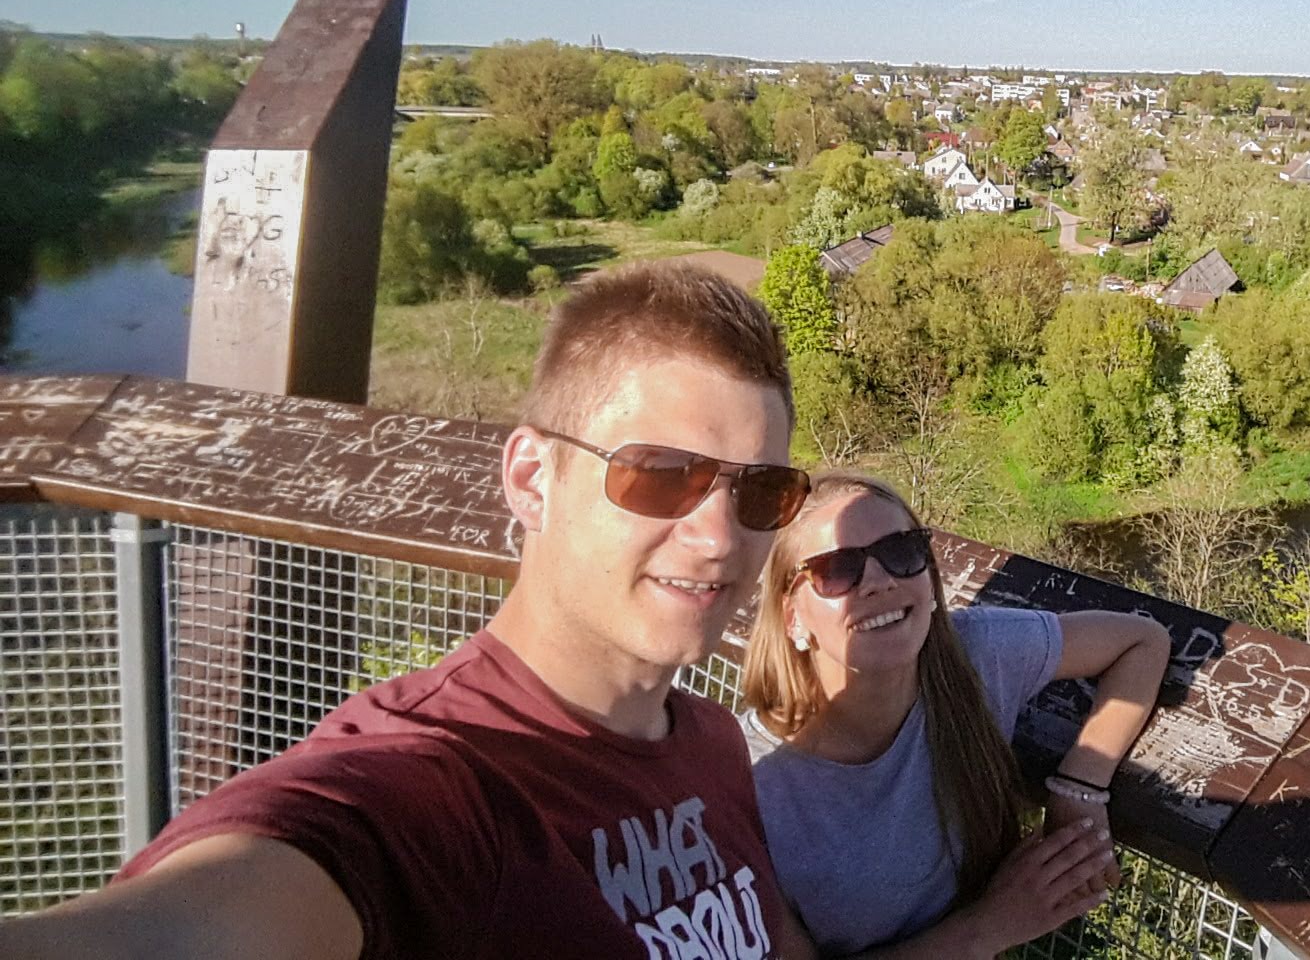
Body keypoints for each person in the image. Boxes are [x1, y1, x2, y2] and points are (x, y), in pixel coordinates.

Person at [2, 263, 870, 958]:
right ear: (534, 478)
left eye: (762, 490)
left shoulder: (711, 744)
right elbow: (209, 917)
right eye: (660, 475)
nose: (719, 536)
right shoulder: (434, 792)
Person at [739, 472, 1173, 957]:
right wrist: (989, 927)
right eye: (838, 570)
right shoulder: (746, 786)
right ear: (792, 615)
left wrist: (1079, 789)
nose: (880, 582)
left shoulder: (974, 654)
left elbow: (1143, 642)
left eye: (901, 552)